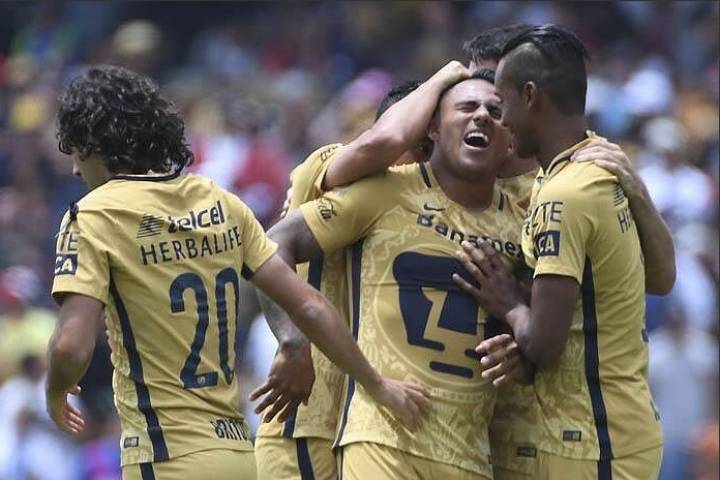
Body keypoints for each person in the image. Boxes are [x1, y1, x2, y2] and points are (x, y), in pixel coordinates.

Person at [45, 64, 430, 480]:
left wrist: (55, 392)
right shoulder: (221, 202)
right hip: (239, 454)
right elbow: (310, 306)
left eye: (76, 153)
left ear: (95, 145)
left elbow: (71, 348)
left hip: (165, 456)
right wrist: (378, 385)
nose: (75, 170)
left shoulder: (93, 216)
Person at [263, 68, 524, 480]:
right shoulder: (345, 172)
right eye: (417, 144)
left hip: (438, 436)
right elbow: (382, 143)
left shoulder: (508, 216)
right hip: (312, 416)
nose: (419, 159)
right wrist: (293, 341)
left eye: (494, 110)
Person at [453, 25, 670, 480]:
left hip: (593, 440)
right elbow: (659, 277)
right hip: (613, 428)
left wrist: (507, 301)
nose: (500, 120)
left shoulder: (564, 195)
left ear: (530, 95)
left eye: (502, 103)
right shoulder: (592, 169)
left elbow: (542, 344)